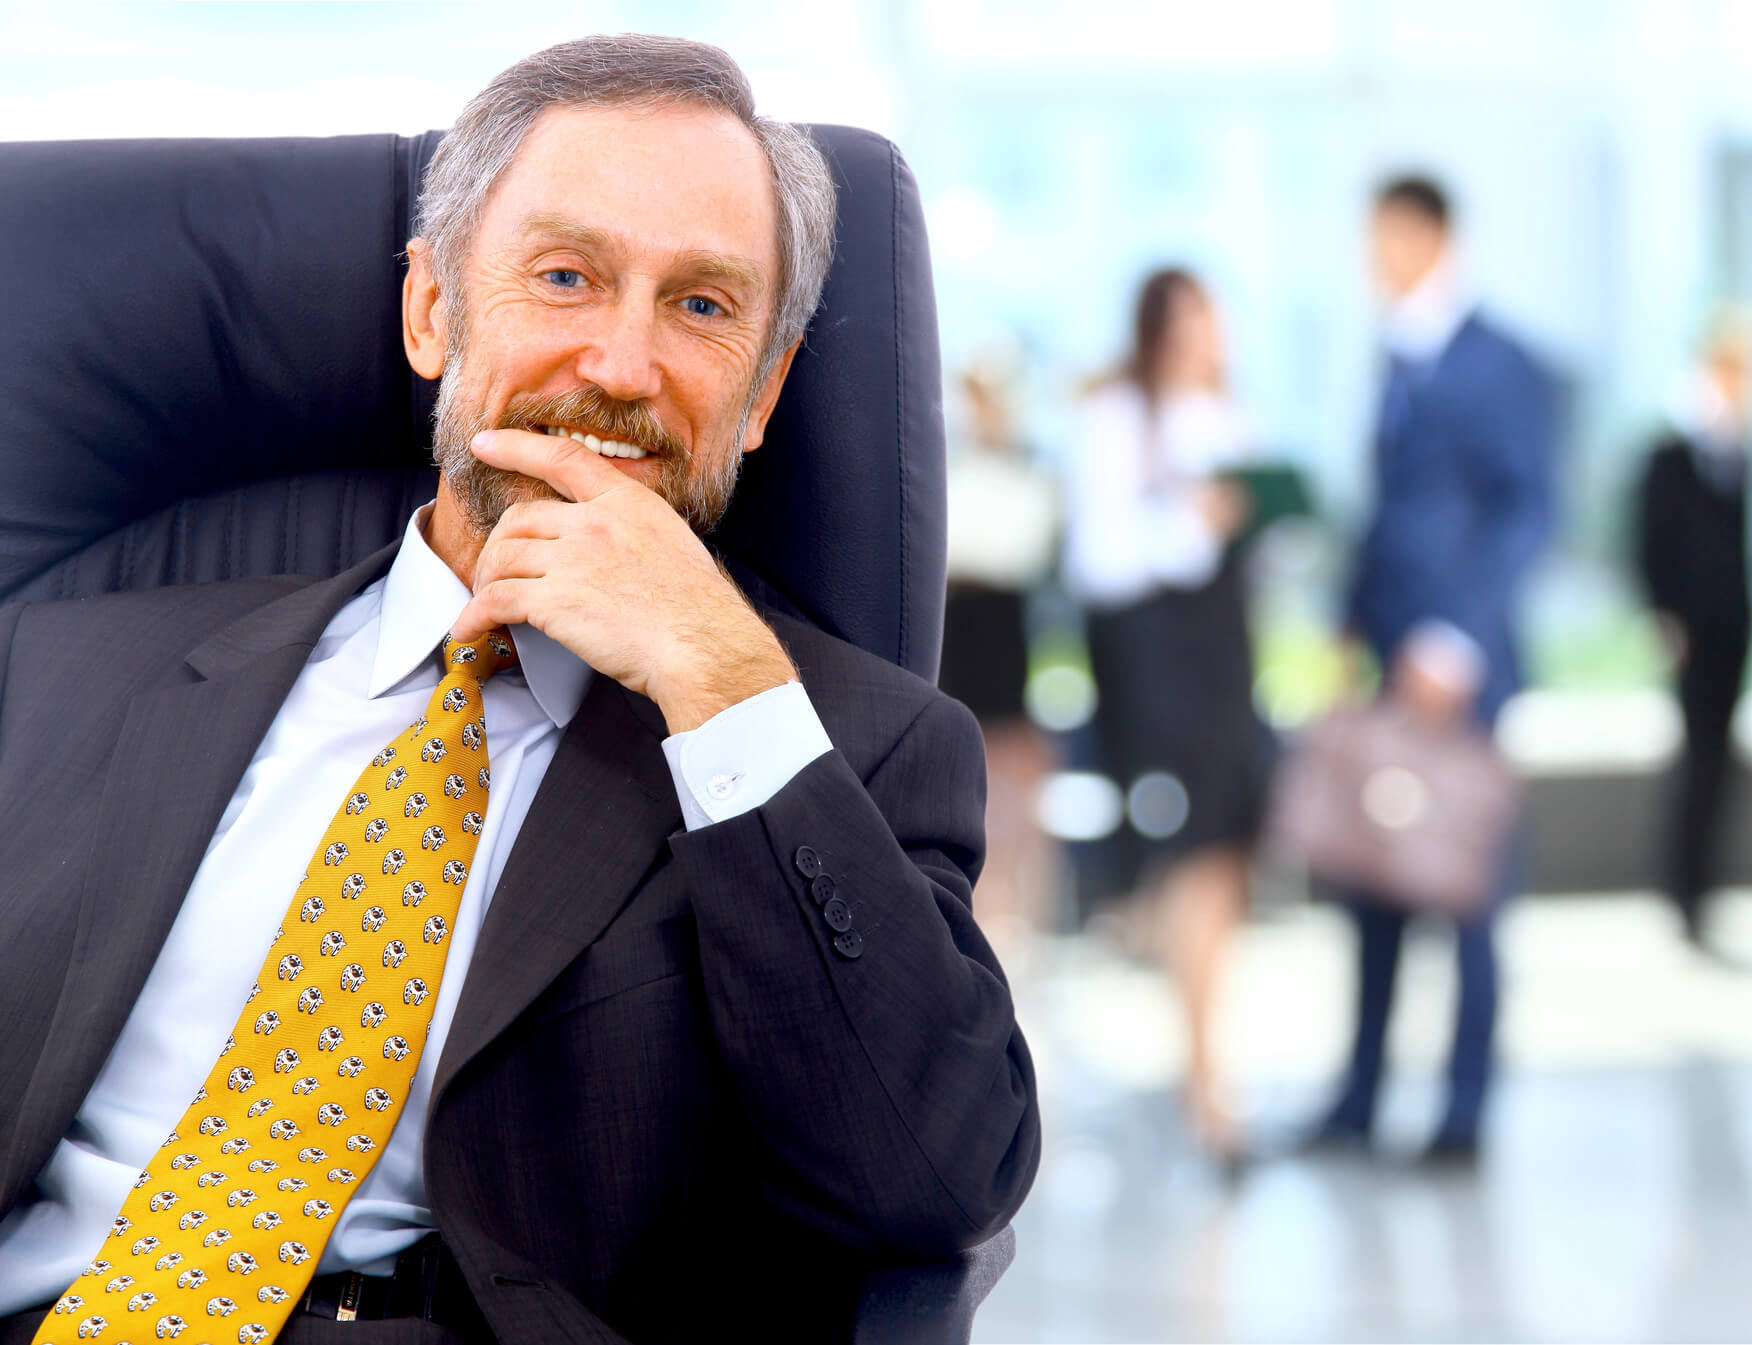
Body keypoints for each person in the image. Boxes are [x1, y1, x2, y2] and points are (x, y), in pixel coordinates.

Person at [0, 36, 1037, 1345]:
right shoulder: (69, 665)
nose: (619, 364)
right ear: (433, 313)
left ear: (765, 394)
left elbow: (938, 1177)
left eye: (703, 307)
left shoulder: (852, 750)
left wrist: (719, 684)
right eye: (566, 277)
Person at [1313, 175, 1556, 1164]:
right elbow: (1390, 514)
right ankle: (1358, 1099)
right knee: (1370, 885)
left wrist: (1452, 637)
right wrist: (1349, 624)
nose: (1375, 257)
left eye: (1388, 237)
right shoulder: (1396, 358)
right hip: (1383, 668)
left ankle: (1460, 1112)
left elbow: (1524, 510)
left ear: (1431, 235)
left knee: (1467, 891)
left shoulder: (1502, 363)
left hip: (1460, 673)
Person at [1063, 267, 1263, 1160]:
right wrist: (1193, 524)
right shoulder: (1114, 422)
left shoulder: (1227, 418)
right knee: (1192, 856)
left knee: (1221, 861)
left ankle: (1204, 1058)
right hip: (1161, 668)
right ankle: (1202, 1074)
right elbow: (1101, 563)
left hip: (1227, 658)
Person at [1636, 310, 1752, 950]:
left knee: (1721, 760)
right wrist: (1663, 615)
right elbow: (1650, 539)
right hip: (1691, 626)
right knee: (1695, 760)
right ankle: (1683, 888)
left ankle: (1706, 886)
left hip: (1734, 624)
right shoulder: (1675, 447)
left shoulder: (1741, 446)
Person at [939, 358, 1061, 961]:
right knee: (970, 774)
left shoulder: (1027, 472)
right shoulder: (952, 468)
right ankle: (982, 911)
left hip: (1002, 637)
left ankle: (1022, 915)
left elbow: (1021, 547)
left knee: (1017, 775)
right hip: (960, 638)